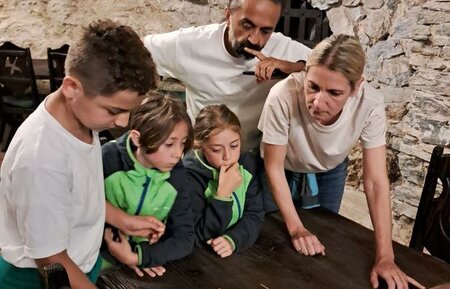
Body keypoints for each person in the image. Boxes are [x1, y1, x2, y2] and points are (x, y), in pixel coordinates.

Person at [258, 34, 425, 289]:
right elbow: (273, 166)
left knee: (324, 242)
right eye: (312, 86)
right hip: (281, 167)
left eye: (334, 93)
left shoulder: (369, 103)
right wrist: (296, 228)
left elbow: (376, 183)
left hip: (330, 169)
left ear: (356, 87)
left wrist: (385, 256)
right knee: (271, 238)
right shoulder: (282, 95)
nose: (317, 101)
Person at [0, 19, 157, 289]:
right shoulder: (42, 160)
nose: (123, 122)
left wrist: (124, 220)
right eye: (114, 111)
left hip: (79, 261)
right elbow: (50, 258)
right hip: (38, 278)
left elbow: (77, 196)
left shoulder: (82, 118)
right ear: (72, 87)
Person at [143, 0, 310, 151]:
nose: (254, 39)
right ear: (228, 15)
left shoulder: (283, 48)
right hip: (201, 154)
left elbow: (331, 68)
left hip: (255, 155)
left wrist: (296, 67)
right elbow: (135, 52)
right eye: (247, 25)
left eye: (266, 31)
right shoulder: (191, 43)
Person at [102, 94, 195, 277]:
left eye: (182, 144)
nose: (178, 154)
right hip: (94, 256)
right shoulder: (106, 159)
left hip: (140, 262)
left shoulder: (177, 176)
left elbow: (185, 238)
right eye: (169, 144)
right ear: (137, 139)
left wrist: (138, 257)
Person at [183, 104, 264, 258]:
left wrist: (233, 239)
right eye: (216, 149)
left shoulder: (247, 164)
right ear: (200, 145)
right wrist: (222, 195)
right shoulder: (190, 177)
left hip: (234, 251)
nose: (228, 156)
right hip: (199, 258)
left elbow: (255, 214)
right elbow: (199, 234)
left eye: (234, 146)